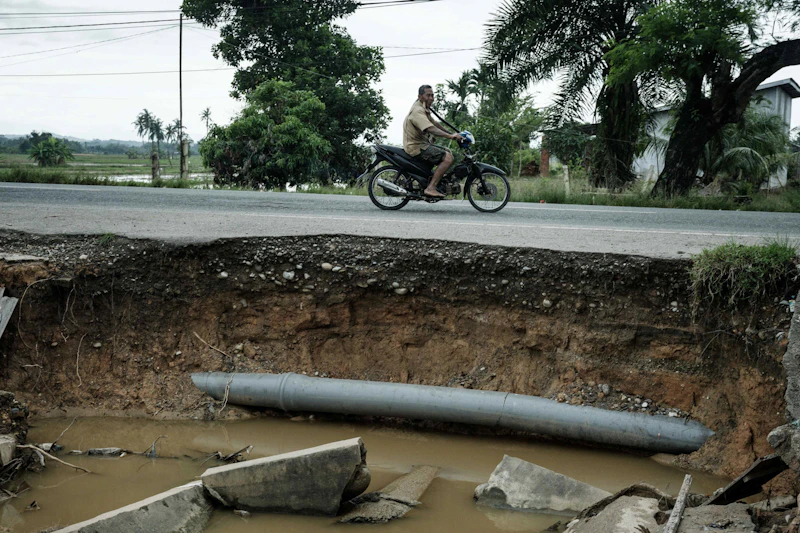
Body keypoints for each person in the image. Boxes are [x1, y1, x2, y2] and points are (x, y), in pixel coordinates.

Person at [403, 84, 464, 198]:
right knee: (448, 158)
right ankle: (431, 188)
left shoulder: (424, 109)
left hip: (422, 144)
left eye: (432, 95)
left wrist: (452, 133)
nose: (431, 98)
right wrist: (450, 136)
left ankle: (434, 180)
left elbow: (435, 123)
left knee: (447, 151)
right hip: (416, 147)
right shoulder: (417, 111)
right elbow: (430, 128)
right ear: (420, 96)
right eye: (428, 95)